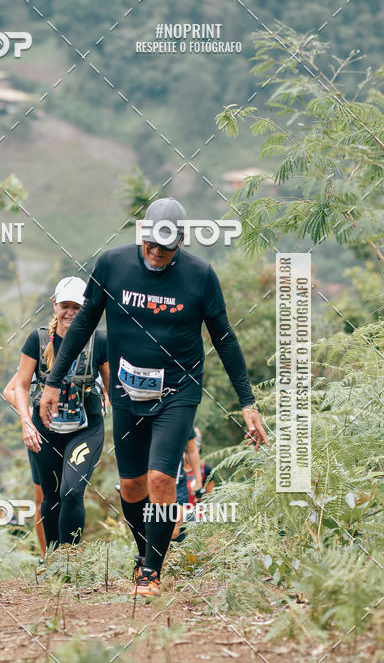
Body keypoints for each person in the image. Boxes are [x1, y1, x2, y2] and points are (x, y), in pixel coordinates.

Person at [39, 197, 268, 597]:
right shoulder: (112, 265)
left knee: (162, 477)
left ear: (180, 242)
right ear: (142, 234)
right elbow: (82, 327)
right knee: (132, 487)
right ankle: (147, 551)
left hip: (178, 391)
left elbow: (225, 339)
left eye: (166, 248)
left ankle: (151, 573)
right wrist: (54, 381)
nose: (157, 254)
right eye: (151, 245)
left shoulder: (200, 276)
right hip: (127, 394)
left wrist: (247, 403)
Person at [13, 276, 110, 549]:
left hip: (85, 429)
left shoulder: (98, 341)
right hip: (45, 430)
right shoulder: (39, 339)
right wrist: (26, 424)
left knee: (71, 492)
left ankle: (71, 559)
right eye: (65, 305)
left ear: (86, 309)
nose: (70, 312)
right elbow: (20, 386)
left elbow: (113, 386)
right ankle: (55, 563)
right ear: (54, 305)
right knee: (51, 496)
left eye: (77, 307)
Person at [2, 372, 45, 559]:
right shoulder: (41, 347)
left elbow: (108, 390)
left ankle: (71, 559)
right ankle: (46, 558)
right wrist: (30, 415)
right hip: (42, 433)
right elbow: (10, 390)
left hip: (79, 432)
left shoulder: (91, 348)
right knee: (42, 501)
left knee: (74, 497)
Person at [172, 427, 214, 541]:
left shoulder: (205, 469)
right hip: (176, 516)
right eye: (185, 450)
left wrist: (200, 498)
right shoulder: (174, 471)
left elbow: (211, 498)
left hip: (196, 517)